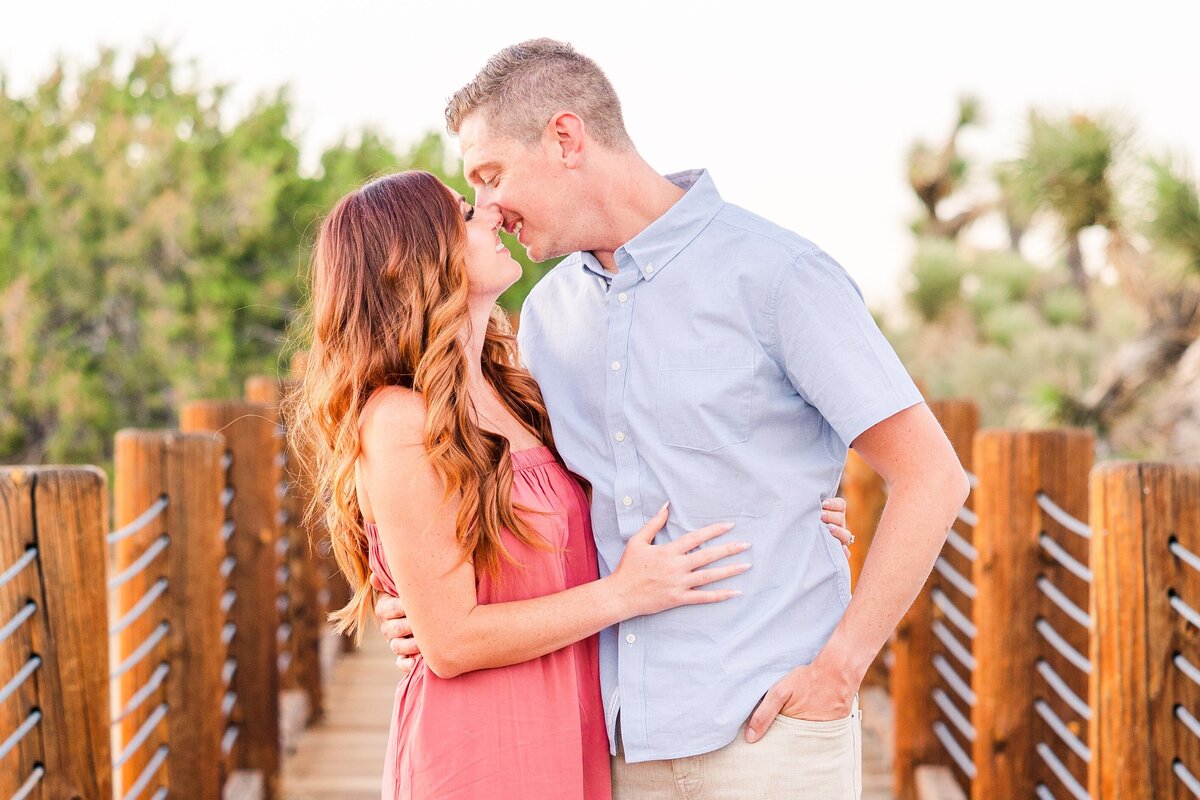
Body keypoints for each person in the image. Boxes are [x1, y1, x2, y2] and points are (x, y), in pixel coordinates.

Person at [374, 39, 971, 799]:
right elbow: (534, 494)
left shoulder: (777, 274)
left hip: (769, 734)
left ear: (565, 139)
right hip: (608, 747)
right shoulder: (547, 317)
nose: (487, 207)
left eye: (492, 176)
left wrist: (841, 668)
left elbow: (930, 476)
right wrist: (424, 612)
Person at [288, 169, 857, 799]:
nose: (492, 215)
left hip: (568, 735)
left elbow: (631, 477)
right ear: (415, 255)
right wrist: (624, 595)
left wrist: (790, 510)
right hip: (478, 751)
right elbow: (449, 642)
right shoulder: (398, 418)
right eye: (464, 212)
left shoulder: (519, 392)